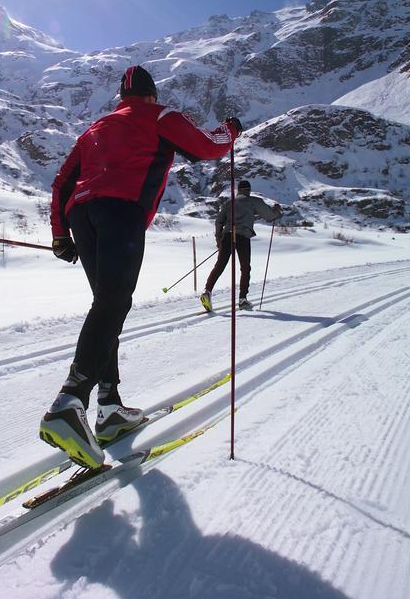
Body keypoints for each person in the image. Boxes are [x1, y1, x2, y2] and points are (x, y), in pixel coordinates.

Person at [40, 65, 242, 468]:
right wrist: (231, 129)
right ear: (151, 95)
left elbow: (63, 181)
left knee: (107, 305)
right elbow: (206, 147)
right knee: (113, 303)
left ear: (121, 98)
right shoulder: (160, 116)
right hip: (121, 211)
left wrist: (61, 234)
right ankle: (70, 402)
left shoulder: (95, 128)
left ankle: (109, 407)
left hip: (82, 214)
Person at [200, 180, 281, 312]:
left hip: (227, 236)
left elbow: (219, 221)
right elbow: (270, 216)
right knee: (245, 268)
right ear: (248, 190)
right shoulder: (254, 201)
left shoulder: (228, 203)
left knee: (220, 265)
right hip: (243, 237)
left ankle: (207, 291)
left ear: (238, 190)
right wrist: (277, 211)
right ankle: (242, 299)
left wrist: (219, 240)